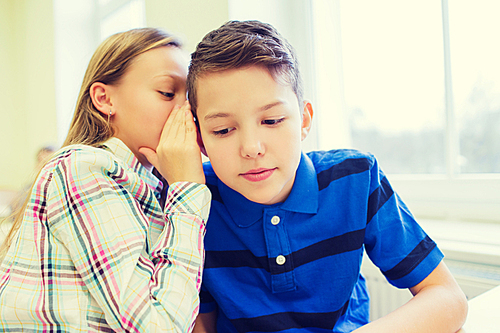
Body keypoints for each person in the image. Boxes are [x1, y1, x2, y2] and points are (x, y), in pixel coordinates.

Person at [186, 20, 468, 332]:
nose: (251, 148)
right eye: (223, 130)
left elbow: (448, 297)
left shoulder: (355, 179)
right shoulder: (195, 202)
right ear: (200, 140)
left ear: (304, 121)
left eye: (272, 120)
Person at [0, 28, 210, 332]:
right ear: (104, 98)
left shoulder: (153, 185)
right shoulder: (82, 167)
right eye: (167, 92)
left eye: (188, 97)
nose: (186, 110)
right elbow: (159, 326)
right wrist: (188, 190)